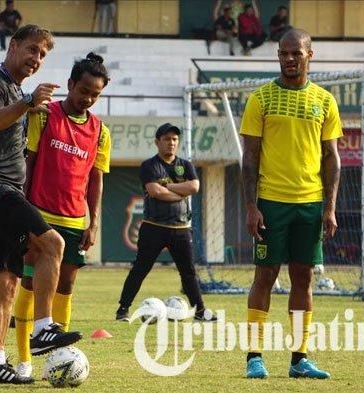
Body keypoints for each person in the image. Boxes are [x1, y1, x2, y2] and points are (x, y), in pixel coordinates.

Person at [0, 24, 82, 385]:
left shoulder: (13, 90)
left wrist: (28, 106)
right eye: (31, 50)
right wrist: (28, 103)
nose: (36, 59)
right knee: (53, 244)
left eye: (43, 55)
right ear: (13, 46)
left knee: (7, 281)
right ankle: (44, 327)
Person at [240, 29, 341, 380]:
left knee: (304, 278)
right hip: (271, 202)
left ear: (309, 55)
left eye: (296, 53)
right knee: (265, 276)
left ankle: (300, 358)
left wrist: (329, 208)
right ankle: (254, 356)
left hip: (310, 204)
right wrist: (251, 207)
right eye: (283, 53)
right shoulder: (261, 98)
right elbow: (249, 158)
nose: (288, 59)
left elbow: (331, 158)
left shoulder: (325, 101)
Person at [13, 52, 112, 378]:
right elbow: (27, 162)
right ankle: (25, 361)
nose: (88, 99)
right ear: (70, 85)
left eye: (95, 95)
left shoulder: (100, 132)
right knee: (30, 283)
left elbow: (96, 179)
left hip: (73, 220)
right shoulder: (45, 115)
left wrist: (93, 221)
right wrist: (23, 212)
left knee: (65, 287)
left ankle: (58, 358)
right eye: (84, 91)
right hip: (39, 215)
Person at [115, 123, 215, 323]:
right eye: (167, 139)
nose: (171, 143)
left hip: (181, 229)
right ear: (157, 142)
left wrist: (168, 186)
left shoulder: (185, 165)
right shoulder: (149, 165)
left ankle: (200, 311)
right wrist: (179, 192)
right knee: (140, 268)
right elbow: (155, 192)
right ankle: (123, 310)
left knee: (188, 272)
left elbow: (194, 186)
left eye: (175, 139)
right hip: (154, 227)